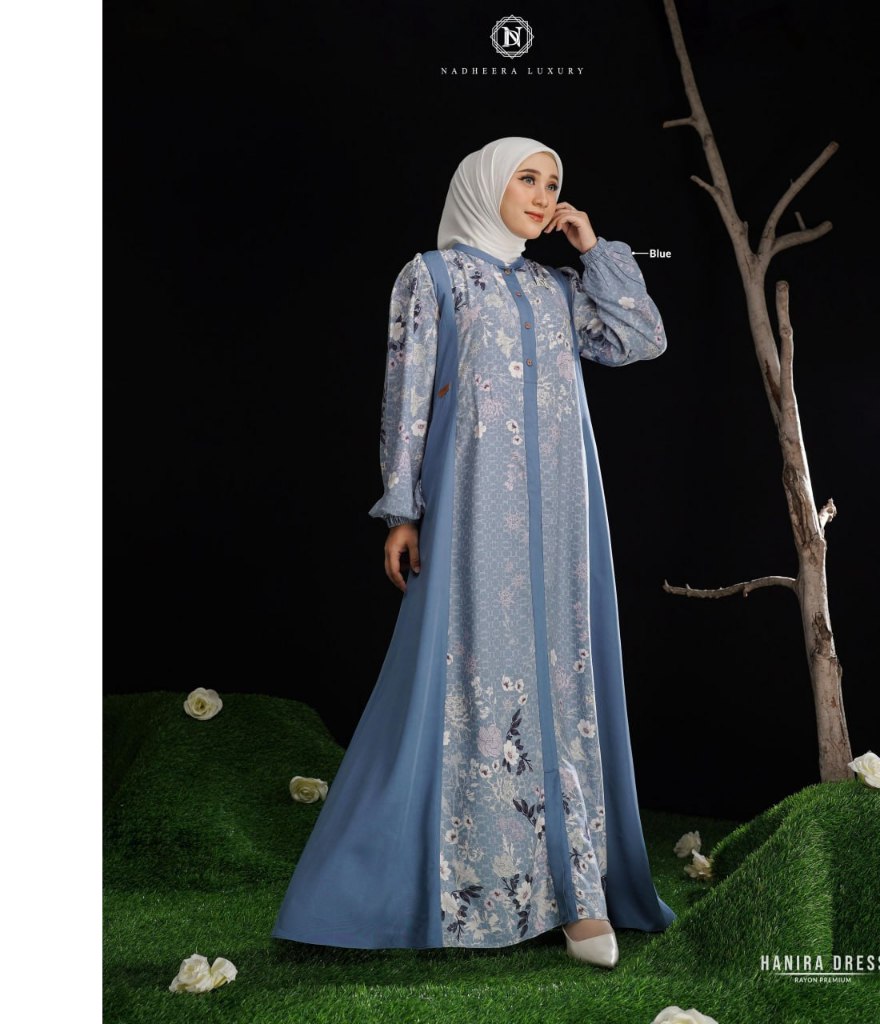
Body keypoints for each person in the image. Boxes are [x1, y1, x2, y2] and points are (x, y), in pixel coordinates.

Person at [271, 136, 676, 969]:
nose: (543, 195)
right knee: (469, 678)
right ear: (485, 183)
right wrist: (402, 509)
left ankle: (576, 890)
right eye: (527, 178)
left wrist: (594, 249)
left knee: (560, 674)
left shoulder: (557, 288)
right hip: (474, 504)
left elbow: (641, 338)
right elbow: (408, 391)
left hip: (563, 511)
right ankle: (474, 883)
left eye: (553, 183)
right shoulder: (435, 278)